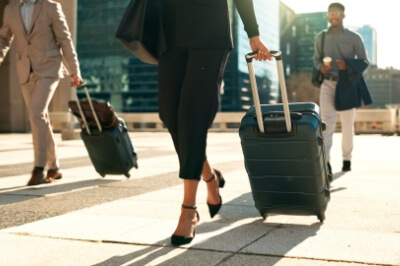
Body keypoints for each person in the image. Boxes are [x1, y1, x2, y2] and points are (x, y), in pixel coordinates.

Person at [157, 0, 271, 246]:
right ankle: (210, 178)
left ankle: (189, 209)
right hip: (169, 32)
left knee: (192, 117)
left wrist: (253, 33)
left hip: (209, 32)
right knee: (170, 115)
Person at [0, 0, 82, 186]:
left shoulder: (51, 7)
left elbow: (65, 39)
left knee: (36, 112)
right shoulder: (11, 10)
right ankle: (55, 166)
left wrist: (74, 70)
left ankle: (39, 168)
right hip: (25, 69)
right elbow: (4, 38)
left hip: (49, 69)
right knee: (40, 117)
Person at [313, 2, 368, 175]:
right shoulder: (320, 37)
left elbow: (365, 61)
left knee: (347, 125)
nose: (333, 16)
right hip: (328, 83)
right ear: (328, 16)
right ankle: (326, 162)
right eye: (330, 13)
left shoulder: (354, 37)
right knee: (327, 124)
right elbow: (316, 60)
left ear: (343, 16)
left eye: (336, 13)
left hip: (348, 85)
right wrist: (320, 67)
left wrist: (349, 65)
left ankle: (346, 158)